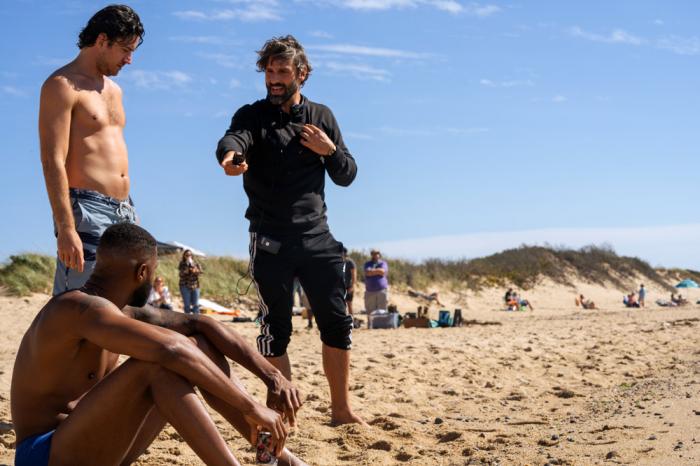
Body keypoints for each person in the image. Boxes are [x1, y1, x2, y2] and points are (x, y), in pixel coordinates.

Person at [11, 223, 307, 466]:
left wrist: (272, 376)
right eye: (152, 273)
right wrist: (252, 405)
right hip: (45, 454)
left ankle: (281, 460)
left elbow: (202, 324)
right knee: (157, 366)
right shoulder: (77, 309)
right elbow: (170, 350)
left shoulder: (122, 313)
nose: (153, 281)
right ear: (142, 272)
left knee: (197, 344)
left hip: (94, 446)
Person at [215, 35, 362, 425]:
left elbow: (347, 175)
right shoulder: (253, 115)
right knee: (274, 331)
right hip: (269, 241)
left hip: (317, 237)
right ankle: (284, 414)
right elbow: (235, 138)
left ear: (302, 74)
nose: (274, 79)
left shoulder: (321, 117)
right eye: (269, 71)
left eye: (282, 71)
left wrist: (329, 150)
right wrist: (230, 157)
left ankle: (342, 411)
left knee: (336, 324)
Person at [39, 5, 144, 295]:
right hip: (86, 209)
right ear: (101, 41)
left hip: (125, 209)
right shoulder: (62, 86)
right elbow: (52, 161)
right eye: (125, 49)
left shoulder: (114, 90)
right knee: (82, 307)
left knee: (126, 306)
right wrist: (66, 228)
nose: (129, 59)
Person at [179, 249, 203, 314]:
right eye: (186, 255)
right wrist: (187, 266)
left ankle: (196, 319)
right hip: (185, 285)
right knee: (187, 305)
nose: (188, 256)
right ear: (184, 256)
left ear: (192, 256)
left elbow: (200, 272)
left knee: (196, 304)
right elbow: (181, 274)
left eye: (189, 255)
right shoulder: (182, 264)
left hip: (195, 285)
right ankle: (187, 320)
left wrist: (194, 268)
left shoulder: (196, 264)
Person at [342, 248, 357, 316]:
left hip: (349, 286)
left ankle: (352, 320)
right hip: (341, 286)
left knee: (349, 303)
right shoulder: (340, 262)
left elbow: (354, 274)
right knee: (342, 304)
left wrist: (353, 286)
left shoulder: (350, 262)